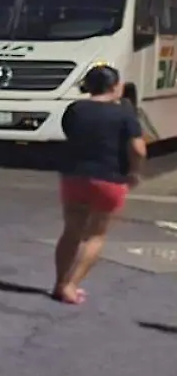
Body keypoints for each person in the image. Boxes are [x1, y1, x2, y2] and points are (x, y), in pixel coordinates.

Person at [52, 65, 146, 305]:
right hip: (110, 178)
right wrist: (134, 172)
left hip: (74, 175)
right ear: (115, 86)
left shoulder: (75, 110)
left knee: (71, 231)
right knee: (96, 234)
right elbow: (138, 149)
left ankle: (60, 283)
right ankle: (73, 286)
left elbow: (70, 135)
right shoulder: (125, 114)